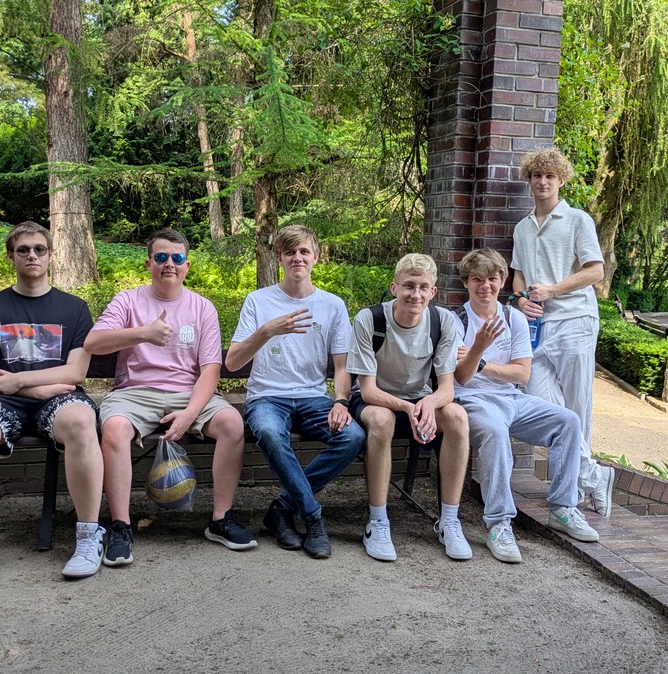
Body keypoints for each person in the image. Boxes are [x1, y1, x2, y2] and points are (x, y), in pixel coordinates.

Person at [0, 221, 104, 586]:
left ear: (51, 255)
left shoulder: (74, 308)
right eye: (23, 250)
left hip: (59, 398)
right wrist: (33, 390)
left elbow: (76, 371)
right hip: (5, 400)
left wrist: (19, 380)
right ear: (11, 256)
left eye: (39, 249)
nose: (32, 255)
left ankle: (89, 537)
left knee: (81, 422)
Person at [85, 228, 254, 566]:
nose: (169, 264)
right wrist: (142, 334)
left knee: (232, 423)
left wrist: (190, 414)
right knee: (114, 429)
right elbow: (93, 343)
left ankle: (220, 519)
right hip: (135, 393)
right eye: (161, 257)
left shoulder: (202, 307)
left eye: (177, 258)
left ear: (187, 265)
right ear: (148, 263)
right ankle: (120, 526)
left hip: (188, 394)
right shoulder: (128, 300)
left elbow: (210, 369)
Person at [226, 226, 365, 559]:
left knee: (353, 436)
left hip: (314, 398)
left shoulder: (332, 305)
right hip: (267, 397)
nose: (297, 258)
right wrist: (267, 331)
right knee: (270, 433)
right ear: (279, 258)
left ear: (315, 257)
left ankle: (282, 508)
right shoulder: (258, 301)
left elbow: (342, 366)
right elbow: (232, 362)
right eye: (290, 252)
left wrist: (341, 402)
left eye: (304, 251)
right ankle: (313, 517)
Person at [452, 249, 599, 563]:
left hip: (512, 398)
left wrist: (481, 362)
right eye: (477, 279)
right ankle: (499, 523)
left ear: (502, 280)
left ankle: (562, 507)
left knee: (568, 421)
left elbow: (522, 374)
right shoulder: (455, 321)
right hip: (472, 400)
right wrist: (479, 350)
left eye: (492, 279)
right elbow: (462, 378)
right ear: (466, 282)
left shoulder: (513, 318)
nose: (485, 286)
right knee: (495, 432)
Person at [510, 147, 615, 518]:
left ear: (561, 180)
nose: (543, 182)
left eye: (550, 177)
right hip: (539, 328)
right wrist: (521, 300)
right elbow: (518, 277)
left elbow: (595, 271)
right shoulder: (522, 227)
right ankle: (593, 475)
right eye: (537, 176)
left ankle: (574, 487)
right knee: (542, 401)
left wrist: (552, 290)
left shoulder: (577, 220)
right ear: (529, 180)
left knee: (577, 406)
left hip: (575, 321)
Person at [348, 253, 471, 562]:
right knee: (382, 420)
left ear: (433, 292)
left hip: (419, 398)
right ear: (394, 288)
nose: (415, 294)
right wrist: (407, 407)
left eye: (423, 287)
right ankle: (378, 522)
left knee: (457, 416)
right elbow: (368, 389)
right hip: (376, 399)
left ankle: (449, 521)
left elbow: (447, 388)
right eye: (409, 286)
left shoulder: (443, 322)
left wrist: (428, 403)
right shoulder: (370, 319)